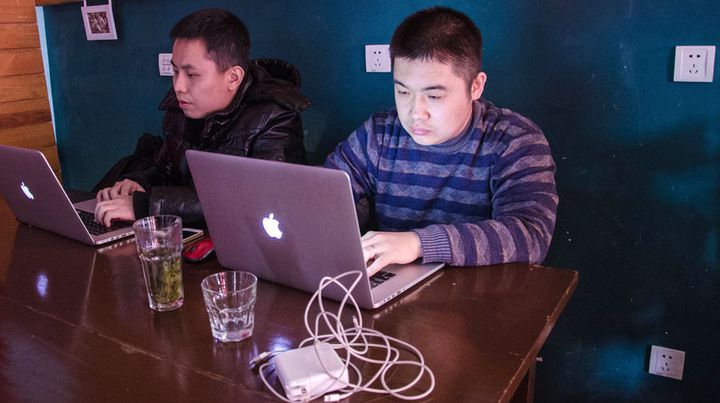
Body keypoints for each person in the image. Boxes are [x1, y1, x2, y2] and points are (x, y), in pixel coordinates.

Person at [324, 7, 558, 275]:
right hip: (389, 293)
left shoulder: (514, 139)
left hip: (479, 302)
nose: (415, 112)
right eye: (402, 91)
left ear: (476, 87)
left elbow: (530, 235)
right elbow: (323, 194)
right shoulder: (378, 134)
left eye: (434, 96)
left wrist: (419, 243)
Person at [94, 9, 310, 227]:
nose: (178, 86)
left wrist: (144, 206)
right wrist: (140, 183)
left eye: (192, 75)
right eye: (175, 71)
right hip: (187, 239)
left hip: (240, 250)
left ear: (233, 78)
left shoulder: (275, 117)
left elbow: (256, 202)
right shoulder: (181, 107)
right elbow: (168, 172)